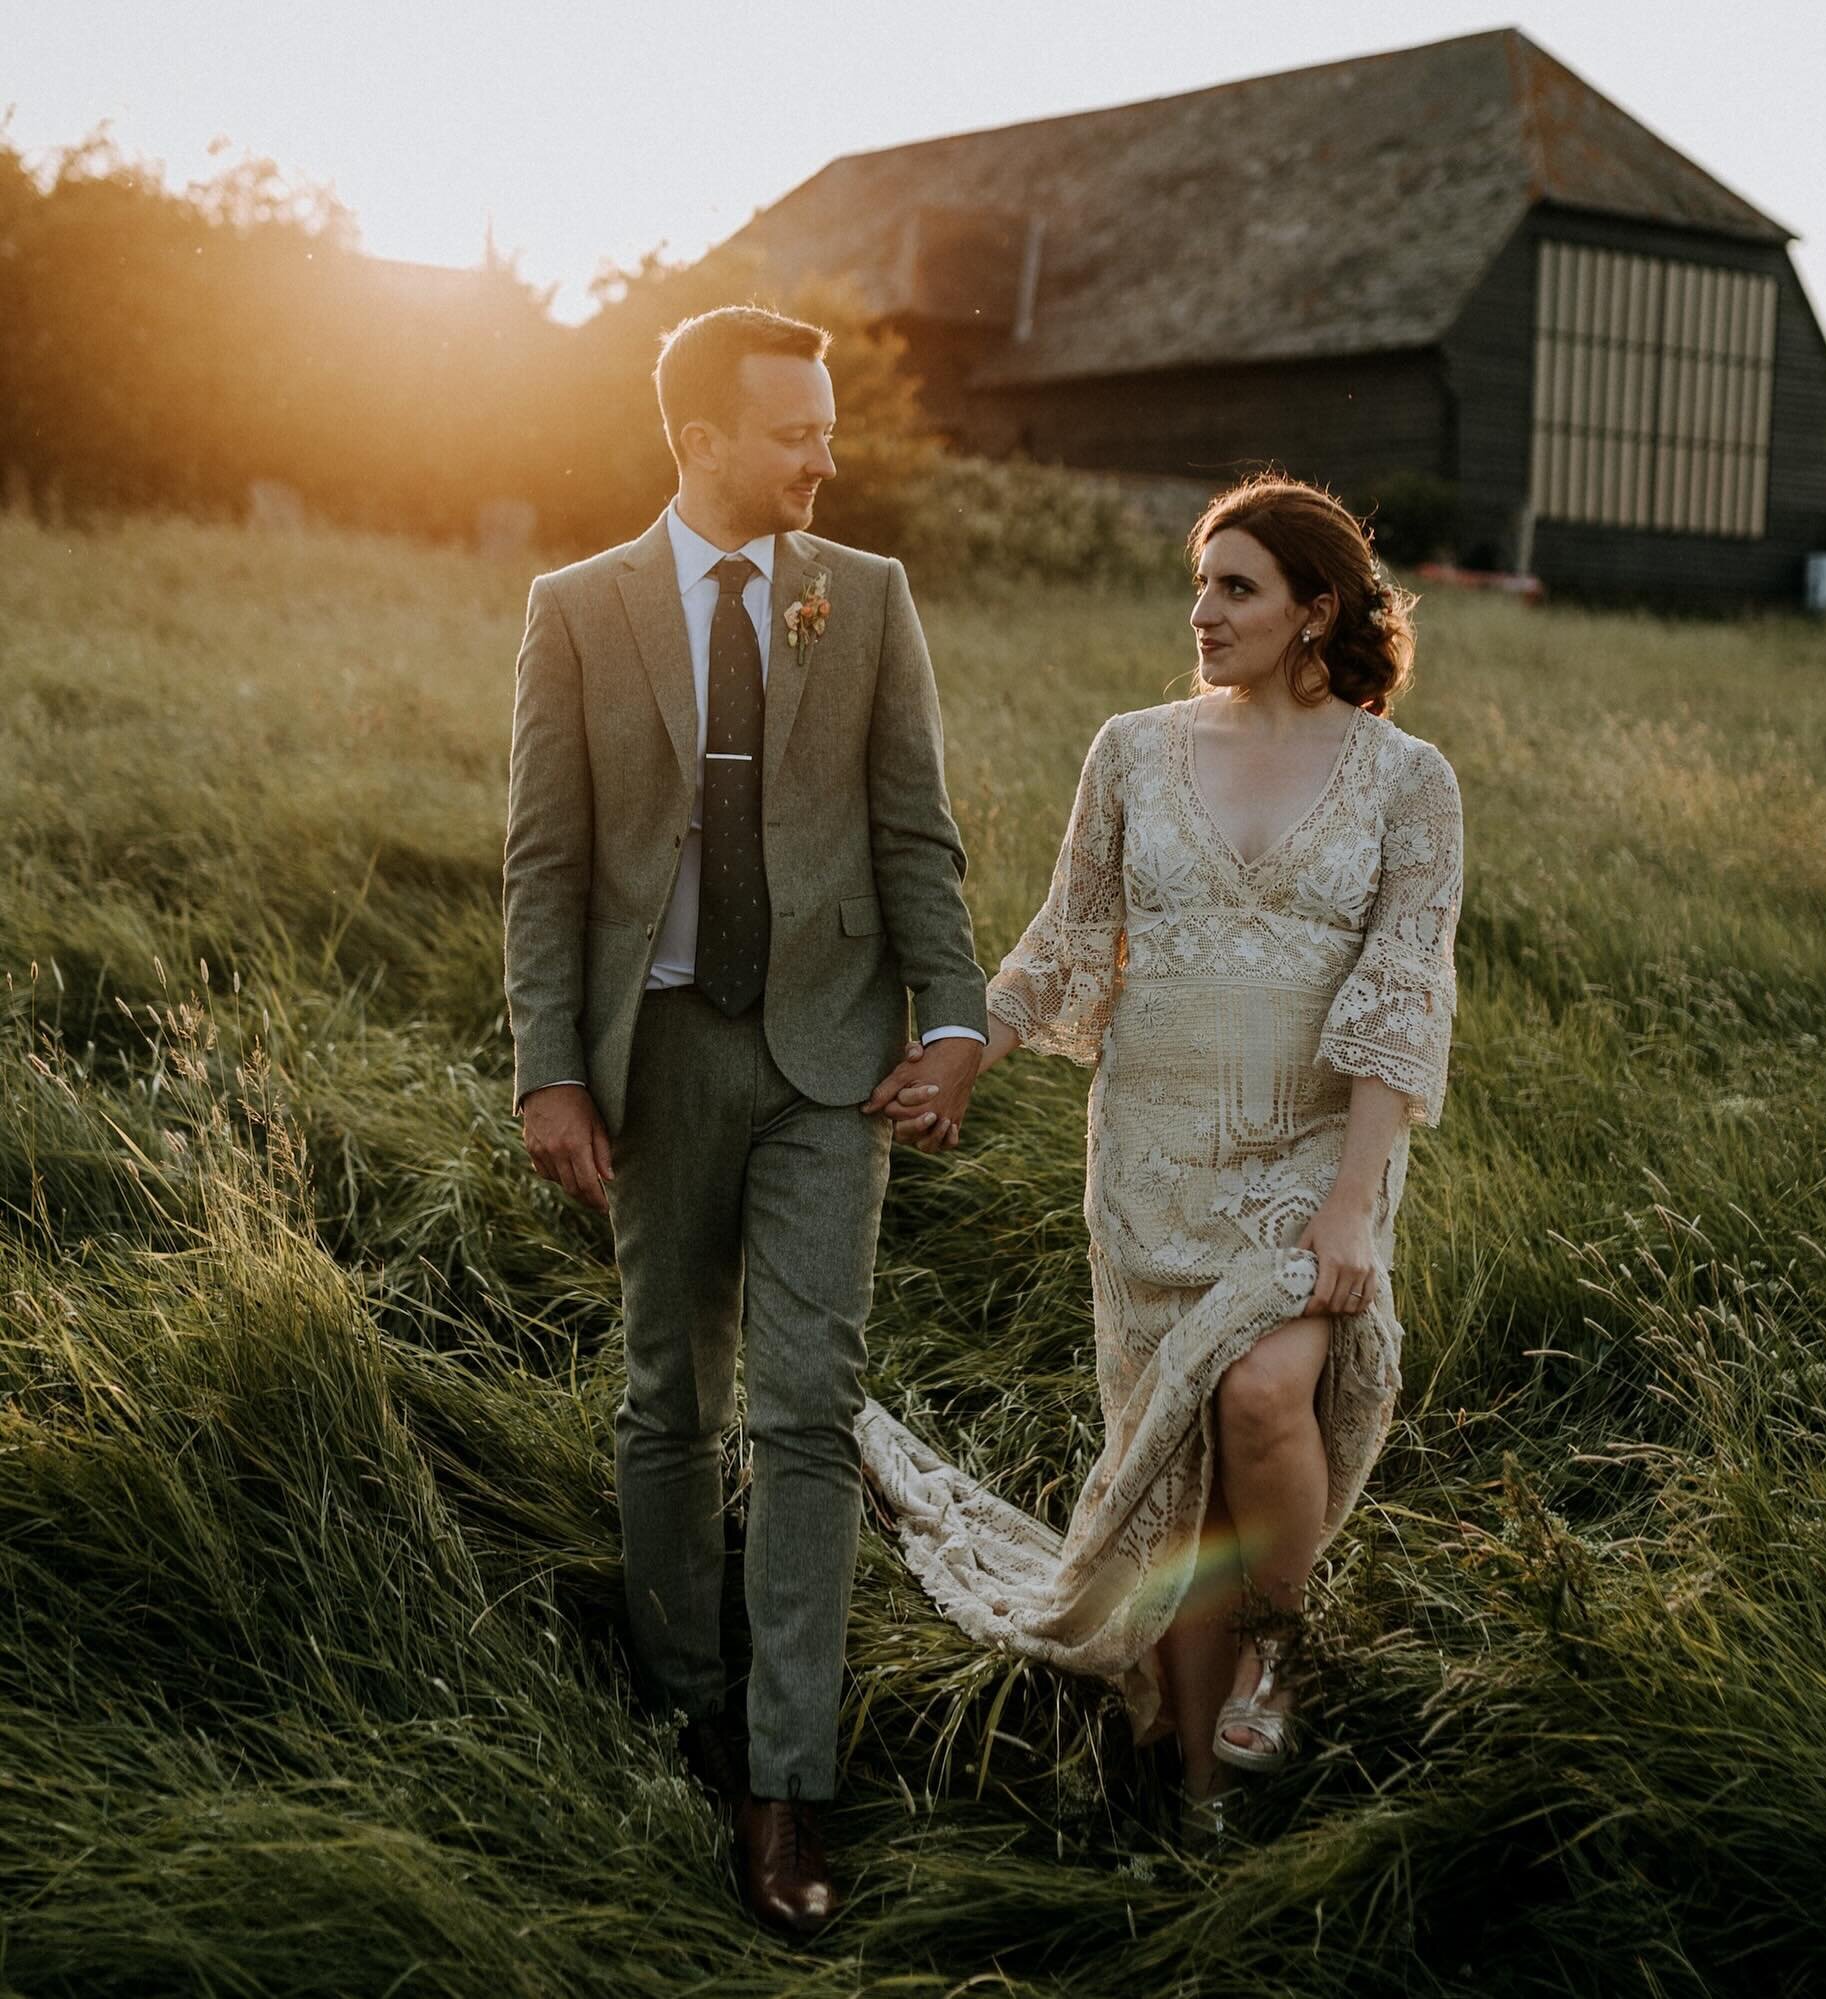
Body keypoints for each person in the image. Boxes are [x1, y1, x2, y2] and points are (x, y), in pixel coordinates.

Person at [861, 471, 1464, 1842]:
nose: (1203, 612)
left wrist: (1355, 1207)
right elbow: (1065, 940)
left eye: (1235, 587)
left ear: (1318, 610)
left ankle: (1284, 1647)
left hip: (1307, 1167)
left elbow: (1402, 994)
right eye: (1198, 584)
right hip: (1149, 1163)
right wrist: (965, 1053)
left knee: (1263, 1397)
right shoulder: (1131, 750)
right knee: (1184, 1487)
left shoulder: (1407, 780)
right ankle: (1194, 1807)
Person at [502, 305, 987, 1937]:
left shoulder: (873, 599)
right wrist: (548, 1070)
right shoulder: (575, 611)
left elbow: (917, 829)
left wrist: (959, 1021)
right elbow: (547, 868)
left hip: (829, 1065)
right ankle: (680, 1709)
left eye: (826, 427)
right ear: (698, 439)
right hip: (654, 1060)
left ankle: (788, 1787)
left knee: (803, 1413)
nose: (825, 457)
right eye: (794, 431)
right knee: (664, 1401)